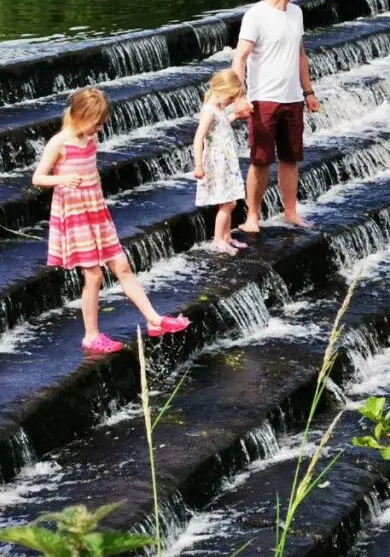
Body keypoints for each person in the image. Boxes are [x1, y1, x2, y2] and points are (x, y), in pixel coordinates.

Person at [33, 88, 190, 354]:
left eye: (102, 123)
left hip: (96, 212)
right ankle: (91, 335)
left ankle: (154, 319)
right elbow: (38, 178)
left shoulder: (89, 140)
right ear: (80, 116)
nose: (100, 128)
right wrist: (62, 180)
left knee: (122, 266)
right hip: (75, 216)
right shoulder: (60, 143)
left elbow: (92, 175)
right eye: (97, 123)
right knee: (94, 276)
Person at [231, 0, 321, 234]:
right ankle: (252, 217)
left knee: (290, 158)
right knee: (260, 161)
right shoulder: (255, 15)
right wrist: (239, 96)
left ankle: (290, 212)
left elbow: (301, 55)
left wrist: (308, 92)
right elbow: (240, 58)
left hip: (293, 99)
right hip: (263, 101)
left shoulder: (296, 13)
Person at [194, 69, 250, 255]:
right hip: (216, 163)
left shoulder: (218, 109)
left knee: (226, 199)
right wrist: (198, 165)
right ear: (222, 90)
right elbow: (198, 138)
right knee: (229, 203)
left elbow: (223, 122)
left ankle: (227, 237)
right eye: (231, 98)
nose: (232, 102)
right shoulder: (209, 111)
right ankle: (217, 240)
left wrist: (237, 116)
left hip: (226, 162)